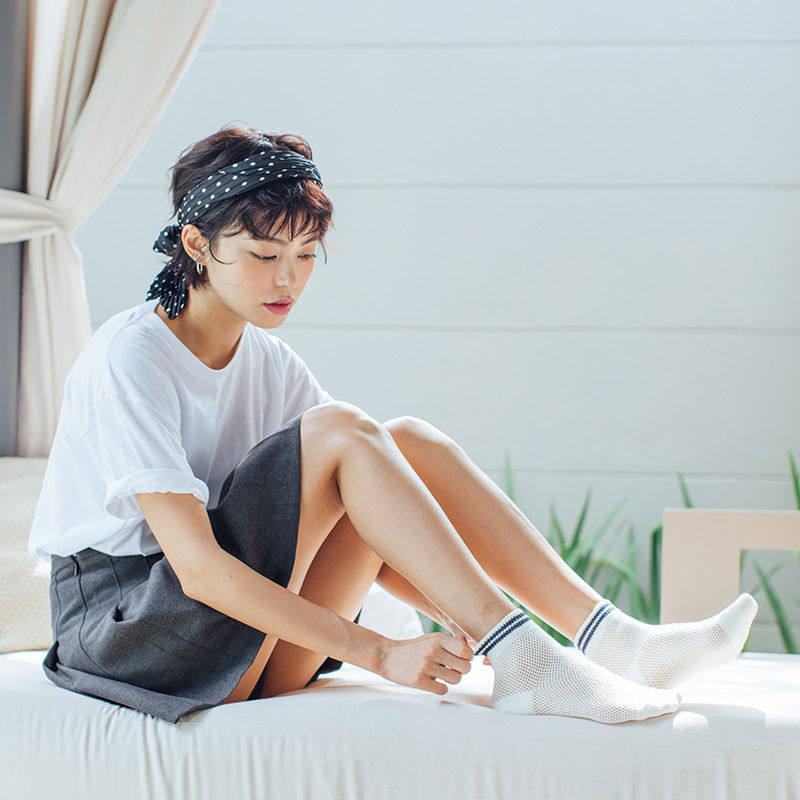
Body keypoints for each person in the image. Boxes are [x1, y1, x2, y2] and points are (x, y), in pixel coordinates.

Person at [29, 124, 758, 726]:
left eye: (305, 256)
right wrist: (380, 652)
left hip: (244, 646)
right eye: (263, 255)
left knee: (401, 441)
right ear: (196, 246)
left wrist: (467, 623)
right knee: (347, 432)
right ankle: (528, 660)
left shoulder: (270, 362)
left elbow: (376, 514)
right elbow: (199, 569)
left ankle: (609, 640)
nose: (287, 279)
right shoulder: (132, 358)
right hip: (138, 635)